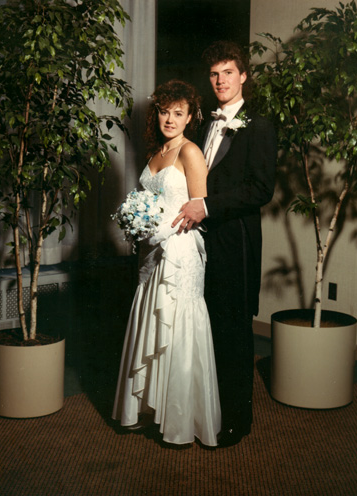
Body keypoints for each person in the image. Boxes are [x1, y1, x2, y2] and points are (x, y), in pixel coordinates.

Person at [172, 41, 277, 447]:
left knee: (233, 331)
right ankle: (205, 411)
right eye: (215, 74)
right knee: (204, 327)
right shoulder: (203, 124)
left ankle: (236, 420)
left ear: (244, 75)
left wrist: (207, 208)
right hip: (200, 244)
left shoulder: (260, 124)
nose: (220, 81)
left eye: (228, 72)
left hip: (235, 243)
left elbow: (260, 189)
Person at [112, 79, 221, 447]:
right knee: (152, 320)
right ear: (156, 114)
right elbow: (147, 199)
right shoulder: (155, 153)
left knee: (178, 325)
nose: (170, 119)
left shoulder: (190, 152)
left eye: (178, 113)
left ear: (191, 117)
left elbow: (199, 207)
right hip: (152, 253)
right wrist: (136, 221)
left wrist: (160, 227)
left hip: (180, 252)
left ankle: (180, 419)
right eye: (164, 112)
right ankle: (147, 408)